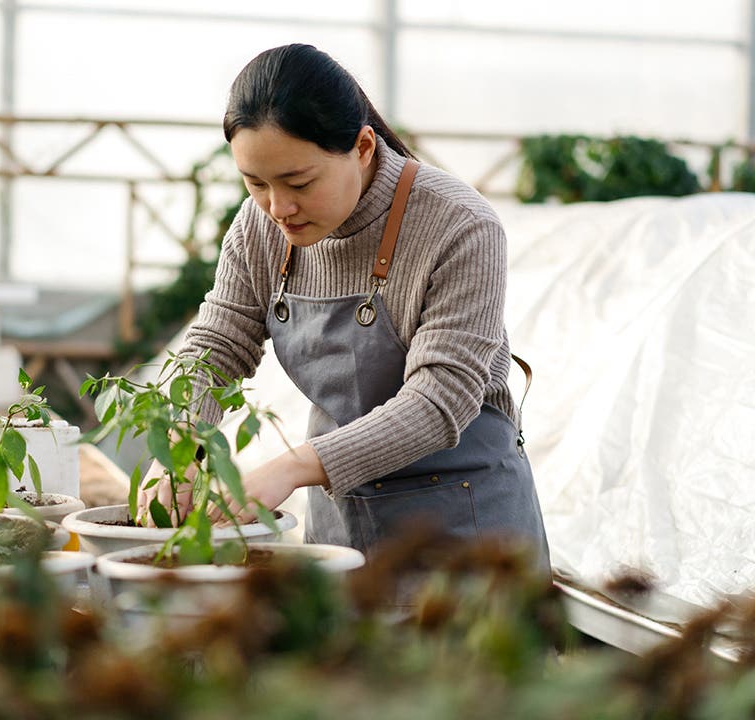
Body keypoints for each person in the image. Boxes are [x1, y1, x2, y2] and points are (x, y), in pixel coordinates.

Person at [143, 43, 549, 574]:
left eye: (299, 182)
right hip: (345, 527)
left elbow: (440, 400)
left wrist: (293, 467)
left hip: (467, 533)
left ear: (361, 147)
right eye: (255, 182)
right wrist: (180, 446)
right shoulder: (259, 225)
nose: (278, 208)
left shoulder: (458, 224)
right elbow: (217, 346)